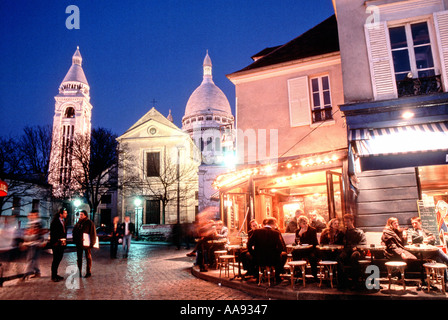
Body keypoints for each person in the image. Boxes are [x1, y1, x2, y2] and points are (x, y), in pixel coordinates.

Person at [247, 217, 286, 284]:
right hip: (272, 260)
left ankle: (258, 276)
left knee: (248, 256)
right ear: (273, 224)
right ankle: (277, 276)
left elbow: (249, 245)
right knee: (284, 255)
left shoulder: (256, 231)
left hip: (259, 259)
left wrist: (254, 254)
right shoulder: (276, 233)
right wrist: (276, 254)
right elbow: (281, 247)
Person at [337, 214, 367, 290]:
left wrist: (357, 247)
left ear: (352, 221)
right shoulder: (344, 232)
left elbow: (363, 244)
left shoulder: (359, 232)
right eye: (345, 222)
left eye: (347, 221)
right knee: (339, 257)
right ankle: (343, 282)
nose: (346, 223)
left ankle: (355, 282)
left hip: (356, 251)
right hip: (347, 251)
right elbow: (339, 242)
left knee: (354, 256)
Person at [293, 215, 319, 281]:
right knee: (294, 253)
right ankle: (298, 273)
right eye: (303, 223)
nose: (305, 225)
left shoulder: (312, 230)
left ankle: (314, 275)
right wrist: (300, 234)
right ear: (299, 224)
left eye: (306, 223)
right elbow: (296, 243)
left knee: (312, 256)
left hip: (311, 249)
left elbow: (315, 242)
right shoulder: (298, 231)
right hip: (302, 250)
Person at [21, 210, 45, 280]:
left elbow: (35, 234)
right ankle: (37, 272)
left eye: (32, 215)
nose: (30, 216)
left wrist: (26, 241)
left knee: (30, 259)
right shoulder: (31, 223)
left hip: (34, 243)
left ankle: (26, 273)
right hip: (33, 243)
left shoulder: (37, 223)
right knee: (34, 259)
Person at [73, 210, 97, 278]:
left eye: (82, 214)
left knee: (88, 257)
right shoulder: (78, 223)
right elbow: (75, 231)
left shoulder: (89, 222)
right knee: (79, 258)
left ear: (85, 215)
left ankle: (88, 272)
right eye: (80, 214)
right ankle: (79, 272)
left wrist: (92, 243)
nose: (80, 216)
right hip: (79, 243)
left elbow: (93, 233)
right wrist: (75, 239)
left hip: (87, 243)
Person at [50, 208, 68, 282]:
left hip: (61, 244)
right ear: (60, 214)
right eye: (65, 213)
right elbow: (53, 233)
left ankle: (55, 274)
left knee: (59, 259)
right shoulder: (55, 222)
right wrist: (56, 241)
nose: (66, 214)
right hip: (56, 244)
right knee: (56, 260)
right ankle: (53, 276)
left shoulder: (63, 221)